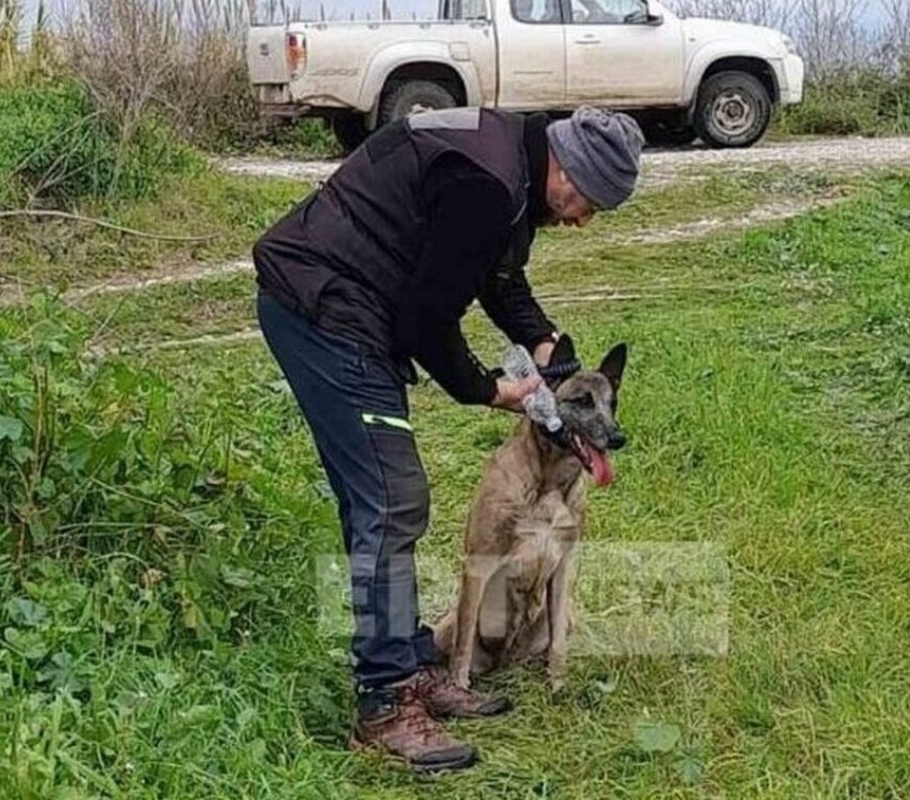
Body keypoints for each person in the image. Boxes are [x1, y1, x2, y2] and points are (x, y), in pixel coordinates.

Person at [252, 104, 645, 773]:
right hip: (323, 302)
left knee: (387, 498)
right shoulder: (489, 184)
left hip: (352, 302)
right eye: (589, 204)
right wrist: (492, 389)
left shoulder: (513, 161)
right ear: (569, 171)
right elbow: (428, 319)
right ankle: (385, 706)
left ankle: (410, 666)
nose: (583, 221)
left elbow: (494, 273)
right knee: (391, 497)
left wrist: (543, 341)